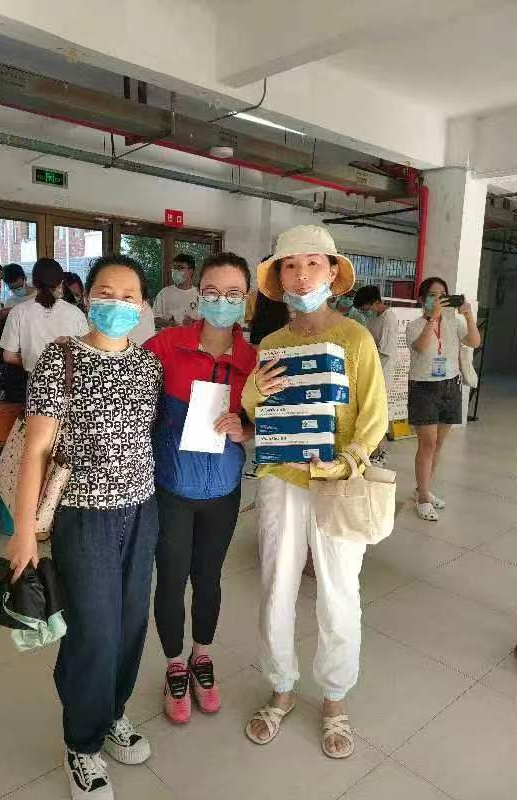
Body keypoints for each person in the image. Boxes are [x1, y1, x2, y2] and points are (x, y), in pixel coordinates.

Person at [7, 254, 163, 800]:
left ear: (143, 306)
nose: (116, 304)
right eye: (105, 293)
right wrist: (23, 531)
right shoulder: (61, 358)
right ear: (86, 297)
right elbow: (36, 450)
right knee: (94, 631)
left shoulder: (148, 366)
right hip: (83, 516)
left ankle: (113, 712)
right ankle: (81, 742)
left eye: (128, 296)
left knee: (130, 625)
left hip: (141, 512)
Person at [241, 225, 387, 759]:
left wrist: (348, 460)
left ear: (331, 272)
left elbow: (373, 415)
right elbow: (258, 412)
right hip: (281, 479)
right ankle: (280, 686)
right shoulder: (272, 345)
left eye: (312, 264)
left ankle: (334, 696)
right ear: (279, 278)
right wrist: (253, 390)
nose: (301, 276)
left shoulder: (356, 339)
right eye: (290, 266)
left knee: (339, 590)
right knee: (276, 585)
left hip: (337, 484)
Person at [144, 252, 256, 725]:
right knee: (171, 579)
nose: (221, 301)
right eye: (212, 292)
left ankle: (201, 656)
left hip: (223, 491)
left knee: (208, 578)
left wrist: (247, 429)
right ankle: (174, 664)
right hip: (171, 488)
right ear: (198, 295)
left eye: (233, 294)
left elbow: (271, 422)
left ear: (246, 299)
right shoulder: (165, 346)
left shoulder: (254, 361)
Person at [407, 277, 480, 522]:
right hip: (424, 388)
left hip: (451, 386)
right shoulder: (415, 325)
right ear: (422, 299)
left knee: (438, 444)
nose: (438, 299)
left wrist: (468, 315)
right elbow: (422, 346)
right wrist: (432, 319)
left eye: (442, 295)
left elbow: (474, 341)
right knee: (427, 444)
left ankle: (423, 489)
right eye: (432, 295)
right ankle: (423, 498)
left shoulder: (454, 323)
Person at [0, 258, 89, 374]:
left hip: (34, 380)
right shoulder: (75, 313)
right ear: (61, 283)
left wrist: (33, 361)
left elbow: (9, 356)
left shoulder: (18, 312)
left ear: (34, 283)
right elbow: (86, 353)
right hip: (69, 380)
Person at [354, 285, 398, 465]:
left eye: (366, 308)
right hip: (370, 370)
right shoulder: (372, 318)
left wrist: (367, 362)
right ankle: (374, 451)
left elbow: (385, 351)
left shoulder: (389, 318)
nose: (365, 312)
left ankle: (378, 454)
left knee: (376, 414)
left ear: (376, 303)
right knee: (369, 412)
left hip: (382, 372)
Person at [153, 253, 199, 327]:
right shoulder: (164, 293)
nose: (176, 271)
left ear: (191, 271)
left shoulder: (199, 294)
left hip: (193, 334)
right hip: (170, 334)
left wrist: (193, 322)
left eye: (181, 268)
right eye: (174, 267)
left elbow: (207, 322)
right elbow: (154, 319)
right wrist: (169, 324)